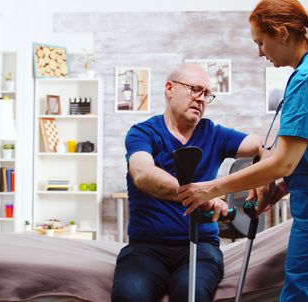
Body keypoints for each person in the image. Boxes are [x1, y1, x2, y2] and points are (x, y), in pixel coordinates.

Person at [178, 0, 308, 302]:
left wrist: (211, 189)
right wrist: (281, 188)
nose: (259, 53)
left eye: (260, 42)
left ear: (281, 34)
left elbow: (283, 162)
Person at [111, 63, 262, 302]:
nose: (201, 99)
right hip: (146, 248)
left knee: (190, 294)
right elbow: (142, 173)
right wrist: (200, 196)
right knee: (130, 295)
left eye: (206, 94)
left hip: (201, 247)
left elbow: (264, 145)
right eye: (195, 89)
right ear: (170, 88)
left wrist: (264, 176)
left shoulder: (214, 134)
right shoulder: (143, 133)